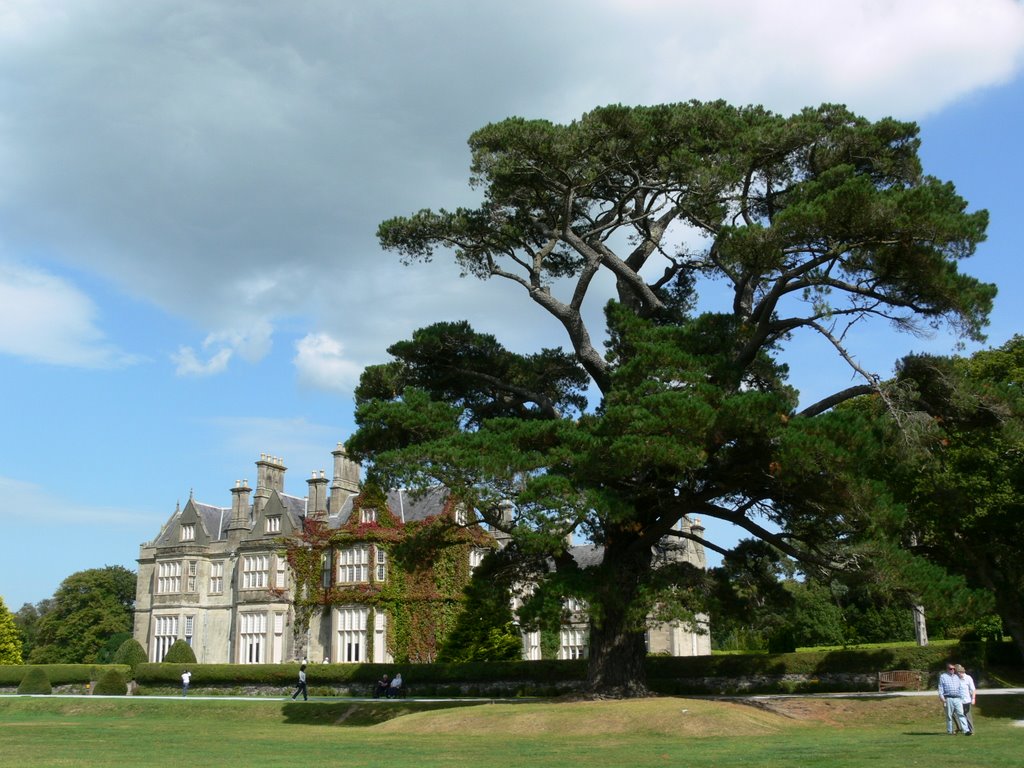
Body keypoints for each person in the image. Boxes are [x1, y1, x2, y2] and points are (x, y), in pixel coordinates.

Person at [938, 662, 971, 735]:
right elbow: (940, 688)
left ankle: (966, 730)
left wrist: (961, 698)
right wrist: (942, 699)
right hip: (948, 698)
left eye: (953, 669)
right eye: (950, 669)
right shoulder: (943, 676)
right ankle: (950, 731)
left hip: (957, 698)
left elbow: (960, 688)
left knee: (961, 714)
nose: (952, 670)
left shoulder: (957, 677)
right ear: (947, 669)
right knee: (949, 716)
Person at [956, 664, 977, 733]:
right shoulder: (956, 678)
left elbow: (973, 689)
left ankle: (971, 730)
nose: (959, 674)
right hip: (958, 700)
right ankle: (960, 728)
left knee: (967, 715)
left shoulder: (968, 678)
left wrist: (973, 698)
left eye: (959, 672)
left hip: (966, 700)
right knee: (956, 714)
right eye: (957, 672)